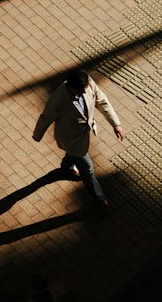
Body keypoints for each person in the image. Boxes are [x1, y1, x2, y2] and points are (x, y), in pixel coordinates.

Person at [32, 67, 124, 211]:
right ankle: (100, 200)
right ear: (70, 86)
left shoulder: (86, 82)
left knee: (73, 156)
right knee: (88, 170)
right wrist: (37, 135)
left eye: (85, 88)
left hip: (80, 137)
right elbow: (45, 118)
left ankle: (67, 165)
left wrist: (115, 124)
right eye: (80, 90)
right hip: (71, 140)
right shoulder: (57, 100)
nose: (84, 92)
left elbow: (102, 100)